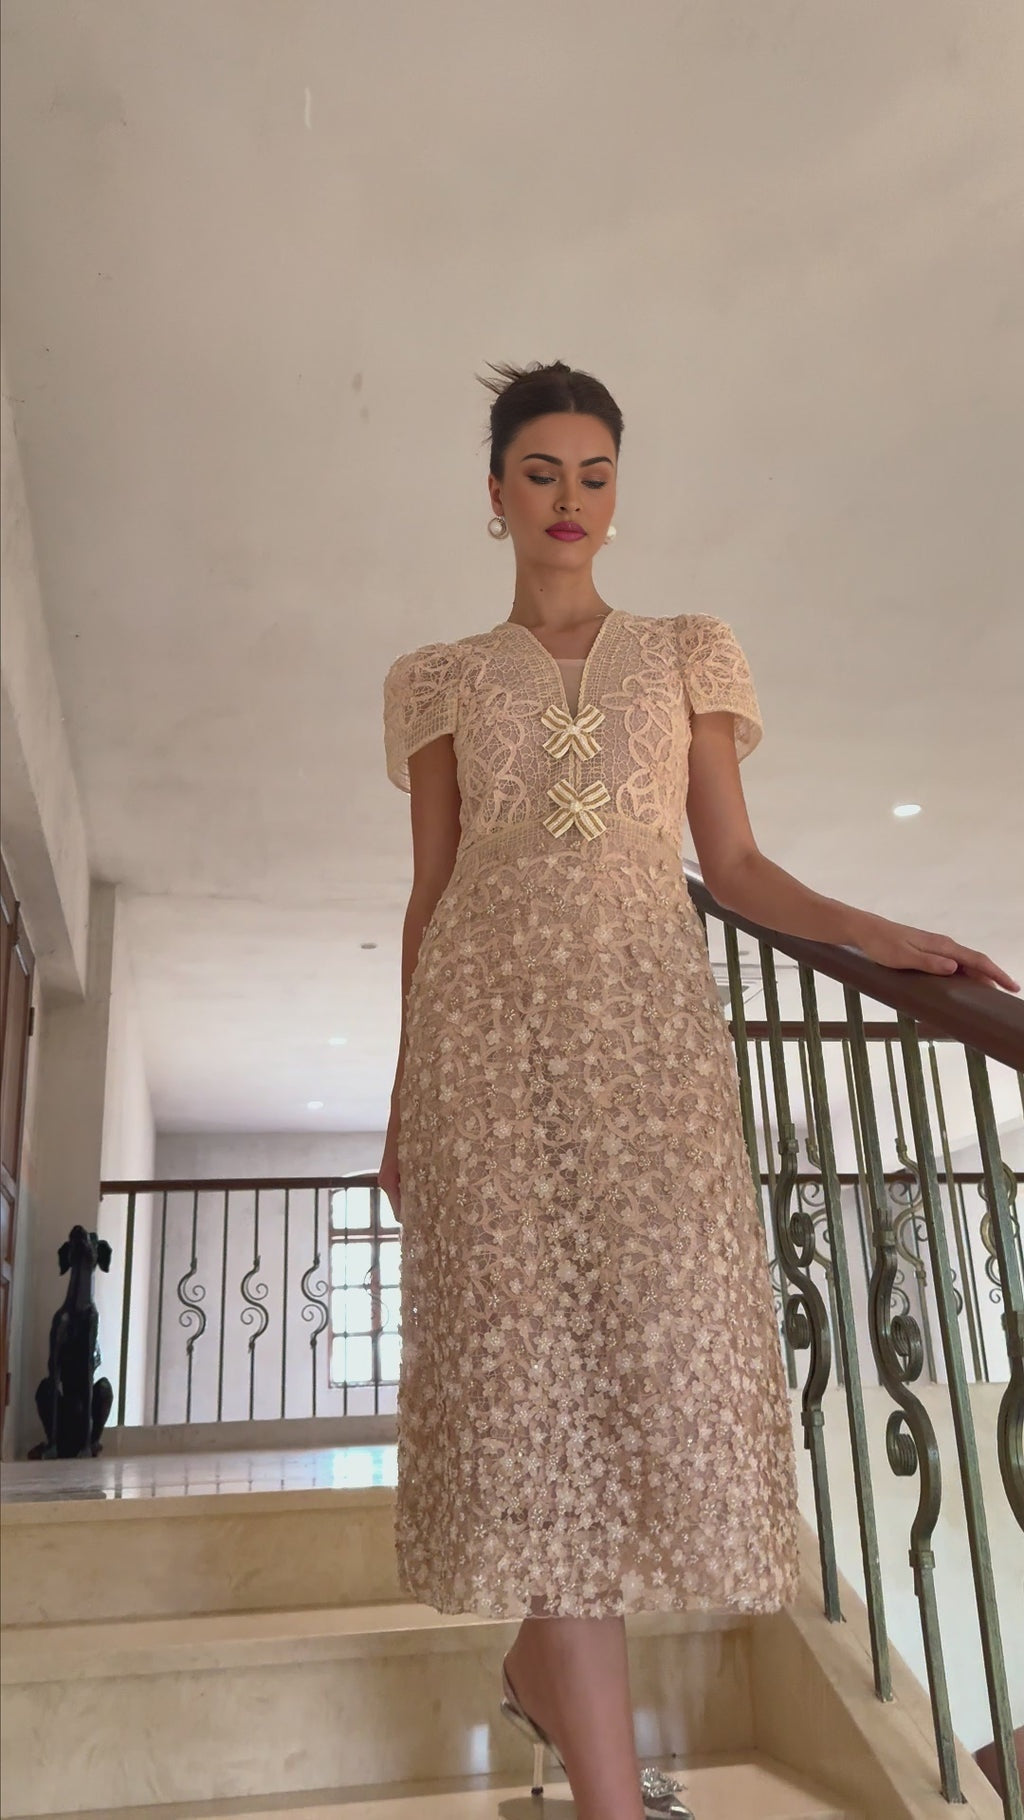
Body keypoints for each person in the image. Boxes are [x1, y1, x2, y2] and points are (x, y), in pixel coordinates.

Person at [379, 359, 1018, 1820]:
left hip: (647, 1049)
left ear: (619, 493)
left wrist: (883, 934)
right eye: (540, 471)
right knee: (527, 1393)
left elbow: (732, 866)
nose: (570, 501)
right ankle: (606, 1789)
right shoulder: (435, 678)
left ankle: (549, 1689)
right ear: (494, 493)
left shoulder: (687, 649)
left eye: (596, 474)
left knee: (649, 1373)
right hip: (485, 1049)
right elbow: (430, 900)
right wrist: (403, 1106)